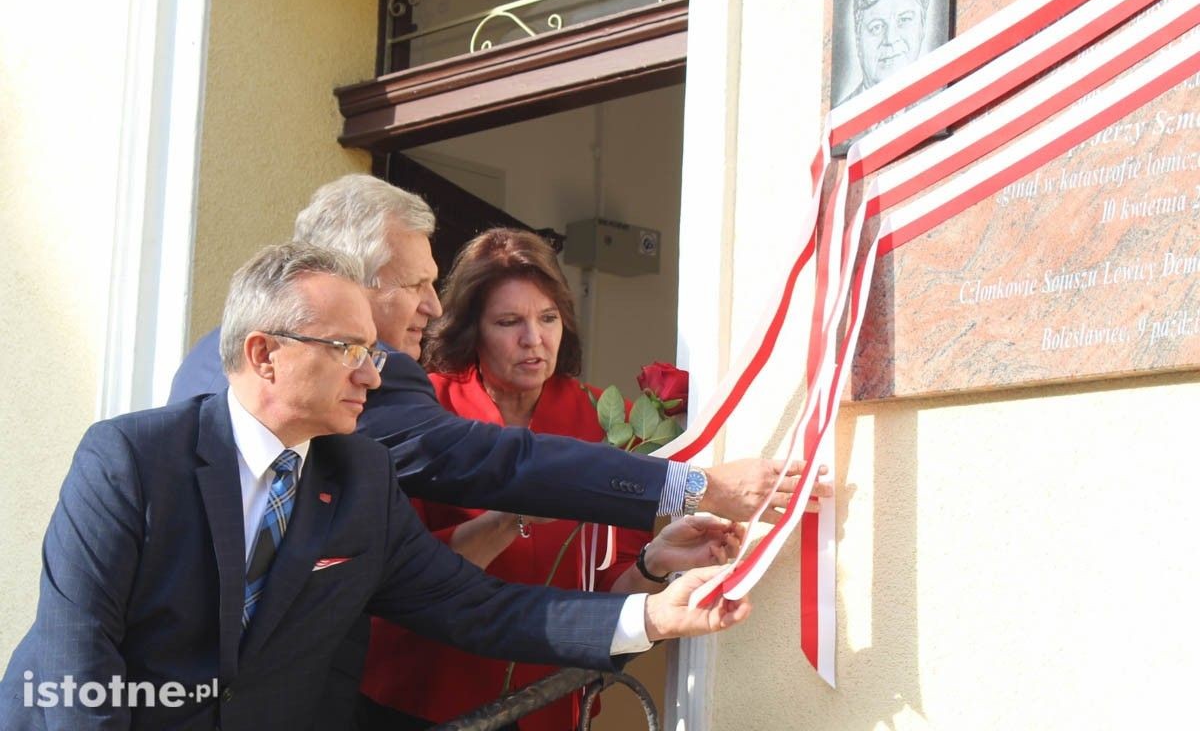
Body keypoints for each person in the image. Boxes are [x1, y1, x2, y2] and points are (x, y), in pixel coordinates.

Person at [0, 242, 751, 730]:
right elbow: (78, 671)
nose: (375, 371)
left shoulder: (357, 478)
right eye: (350, 349)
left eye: (373, 348)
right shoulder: (129, 460)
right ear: (265, 355)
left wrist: (650, 616)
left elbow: (477, 608)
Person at [170, 176, 813, 529]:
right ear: (356, 282)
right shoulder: (391, 383)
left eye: (548, 317)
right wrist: (697, 485)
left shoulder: (213, 350)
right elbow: (498, 465)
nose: (433, 306)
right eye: (416, 285)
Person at [356, 229, 742, 730]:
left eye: (548, 318)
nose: (534, 340)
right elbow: (406, 581)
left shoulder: (605, 418)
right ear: (471, 328)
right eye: (508, 321)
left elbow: (609, 591)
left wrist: (655, 561)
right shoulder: (425, 409)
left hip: (550, 702)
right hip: (422, 697)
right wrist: (512, 514)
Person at [837, 0, 932, 106]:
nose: (890, 39)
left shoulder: (939, 104)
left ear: (923, 25)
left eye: (904, 20)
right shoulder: (839, 119)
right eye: (877, 27)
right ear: (857, 38)